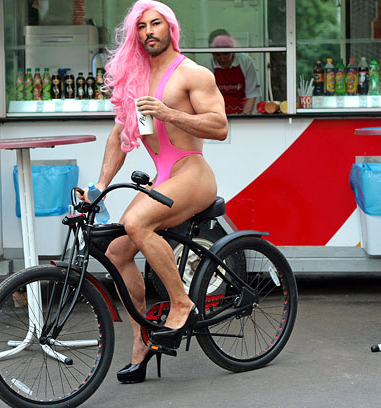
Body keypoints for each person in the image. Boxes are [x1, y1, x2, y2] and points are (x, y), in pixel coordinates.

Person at [83, 0, 228, 384]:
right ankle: (142, 340)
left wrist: (168, 113)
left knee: (135, 222)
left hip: (192, 172)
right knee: (116, 252)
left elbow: (220, 126)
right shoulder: (136, 79)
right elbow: (119, 138)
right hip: (164, 177)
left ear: (170, 28)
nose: (149, 31)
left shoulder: (192, 74)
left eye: (156, 23)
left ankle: (181, 302)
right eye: (142, 26)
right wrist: (99, 186)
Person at [202, 30, 262, 114]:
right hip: (217, 114)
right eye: (217, 55)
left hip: (241, 112)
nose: (222, 58)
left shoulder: (245, 62)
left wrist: (244, 116)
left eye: (226, 53)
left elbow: (252, 95)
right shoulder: (206, 66)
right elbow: (205, 97)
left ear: (232, 49)